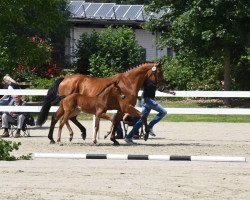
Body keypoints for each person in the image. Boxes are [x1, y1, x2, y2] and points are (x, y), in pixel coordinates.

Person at [124, 78, 175, 144]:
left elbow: (160, 89)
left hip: (148, 100)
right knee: (163, 112)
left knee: (141, 121)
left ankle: (128, 137)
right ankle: (150, 126)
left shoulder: (155, 81)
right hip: (148, 100)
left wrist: (170, 92)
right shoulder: (146, 80)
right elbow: (137, 85)